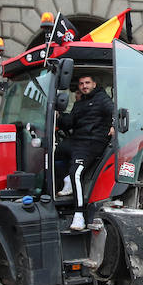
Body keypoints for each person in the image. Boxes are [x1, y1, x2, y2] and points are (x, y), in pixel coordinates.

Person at [55, 73, 114, 230]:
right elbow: (69, 122)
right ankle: (67, 181)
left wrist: (114, 125)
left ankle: (79, 215)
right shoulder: (79, 104)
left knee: (76, 172)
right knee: (52, 153)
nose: (84, 86)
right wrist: (58, 116)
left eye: (87, 83)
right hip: (77, 141)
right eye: (81, 83)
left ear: (94, 84)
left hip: (93, 142)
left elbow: (115, 111)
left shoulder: (102, 99)